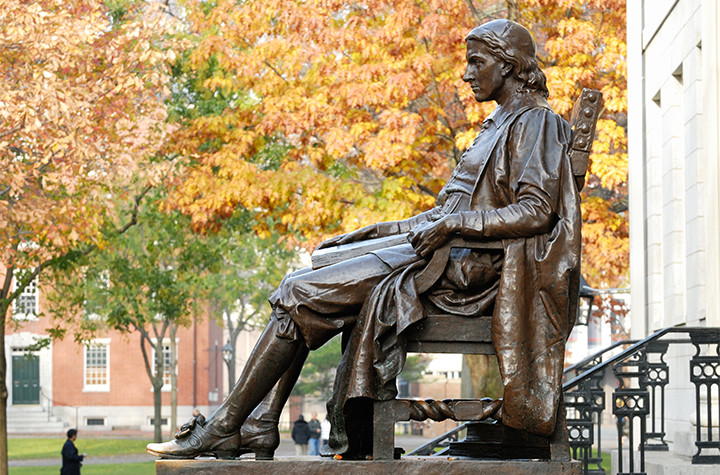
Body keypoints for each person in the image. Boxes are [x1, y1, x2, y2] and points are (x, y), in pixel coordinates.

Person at [147, 18, 581, 460]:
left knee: (298, 291)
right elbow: (446, 212)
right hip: (444, 255)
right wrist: (376, 231)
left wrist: (452, 227)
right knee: (304, 276)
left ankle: (228, 425)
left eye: (476, 62)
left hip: (467, 274)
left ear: (508, 65)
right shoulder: (498, 123)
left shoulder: (536, 123)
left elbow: (536, 211)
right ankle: (257, 423)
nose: (466, 73)